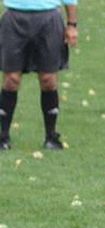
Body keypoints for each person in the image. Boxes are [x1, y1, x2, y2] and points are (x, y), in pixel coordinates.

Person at [0, 0, 78, 150]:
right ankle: (3, 137)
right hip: (14, 18)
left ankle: (51, 137)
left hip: (49, 19)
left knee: (48, 79)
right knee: (11, 79)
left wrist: (72, 25)